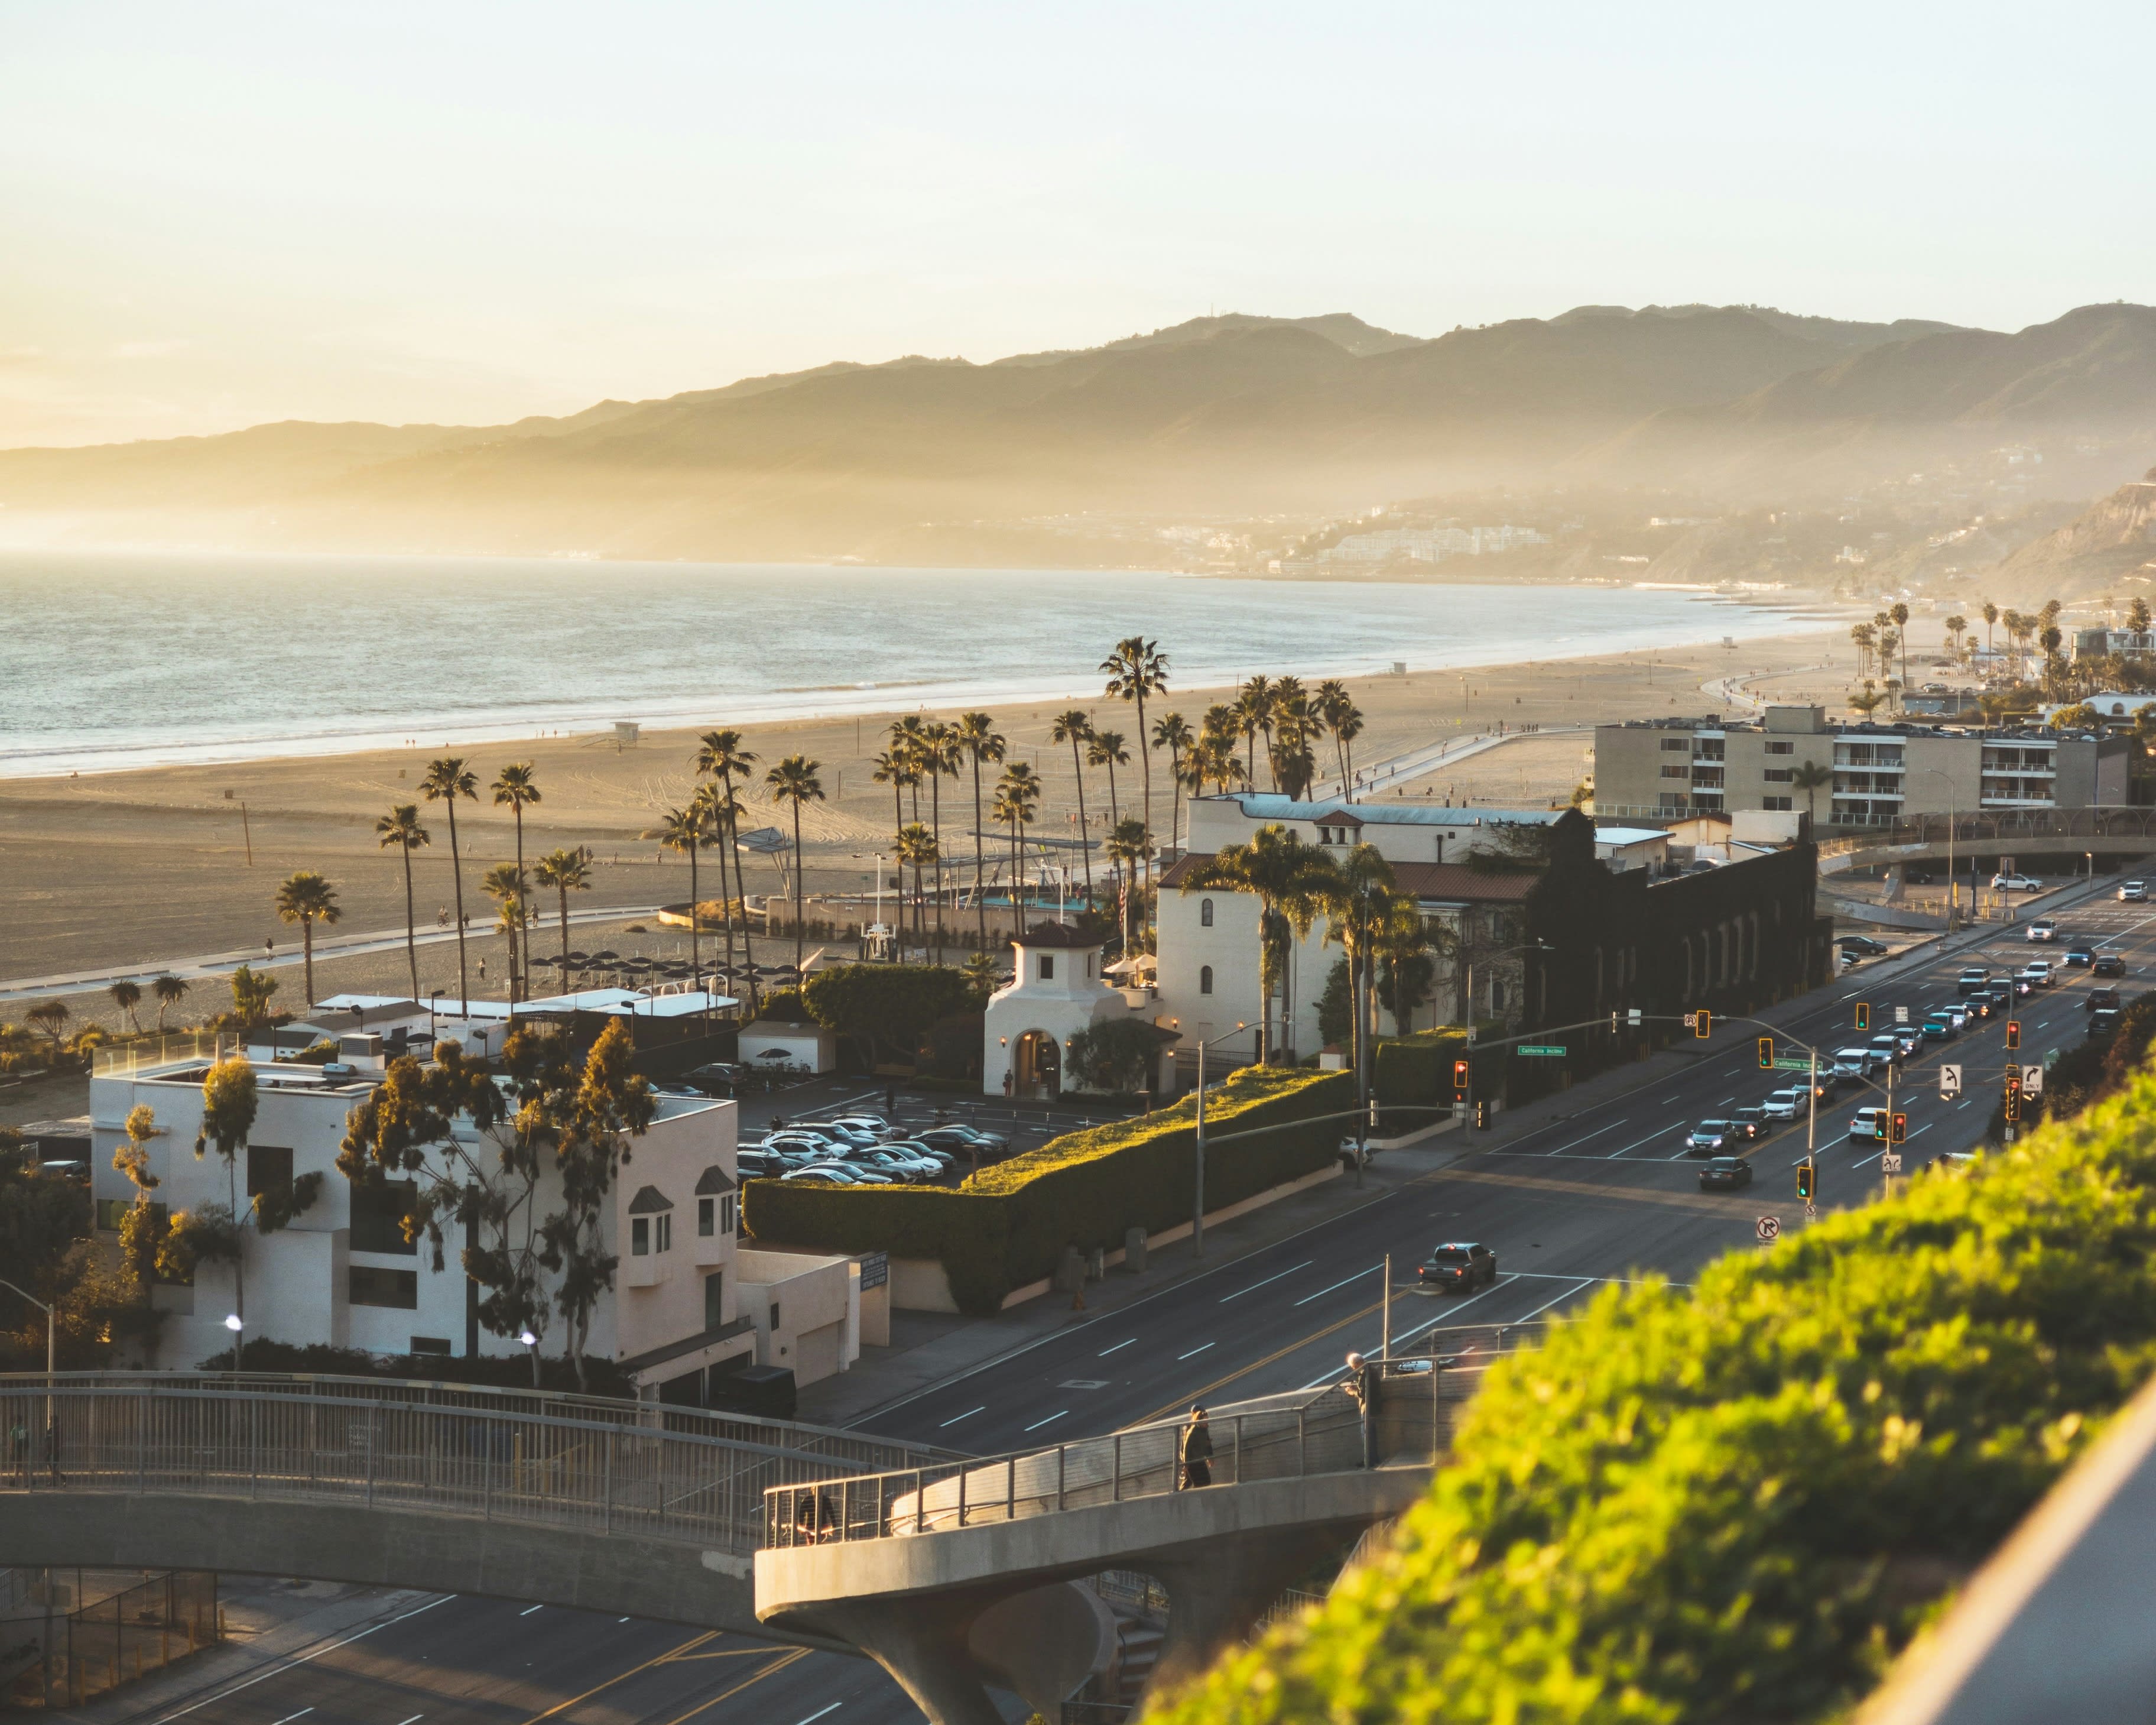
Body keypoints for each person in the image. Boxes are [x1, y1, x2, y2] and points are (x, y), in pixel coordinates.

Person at [1179, 1405, 1213, 1489]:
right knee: (1189, 1480)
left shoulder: (1203, 1426)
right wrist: (1186, 1462)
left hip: (1198, 1458)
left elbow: (1207, 1443)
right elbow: (1185, 1447)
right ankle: (1179, 1496)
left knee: (1202, 1481)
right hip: (1189, 1458)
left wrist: (1209, 1457)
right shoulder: (1189, 1428)